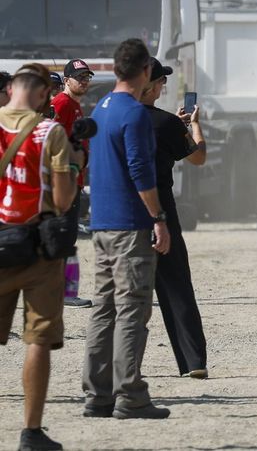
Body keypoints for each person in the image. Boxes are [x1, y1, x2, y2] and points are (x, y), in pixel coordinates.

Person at [83, 38, 172, 421]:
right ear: (145, 72)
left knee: (103, 310)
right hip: (129, 225)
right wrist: (159, 217)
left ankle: (97, 393)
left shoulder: (101, 107)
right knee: (132, 309)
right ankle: (130, 394)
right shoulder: (135, 113)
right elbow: (140, 171)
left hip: (102, 223)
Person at [2, 63, 78, 451]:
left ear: (11, 86)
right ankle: (31, 432)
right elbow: (64, 201)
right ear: (46, 95)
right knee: (37, 338)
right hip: (35, 249)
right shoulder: (51, 132)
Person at [138, 59, 208, 379]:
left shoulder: (111, 115)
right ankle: (193, 362)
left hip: (122, 215)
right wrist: (192, 125)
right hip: (161, 210)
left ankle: (119, 366)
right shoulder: (166, 124)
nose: (164, 87)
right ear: (150, 86)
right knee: (176, 288)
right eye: (161, 82)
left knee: (126, 296)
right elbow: (198, 157)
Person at [53, 59, 94, 309]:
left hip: (73, 181)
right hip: (64, 182)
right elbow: (49, 138)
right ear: (66, 80)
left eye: (87, 77)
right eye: (79, 77)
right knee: (64, 237)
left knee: (67, 238)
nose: (84, 81)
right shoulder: (62, 103)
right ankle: (64, 293)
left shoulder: (73, 105)